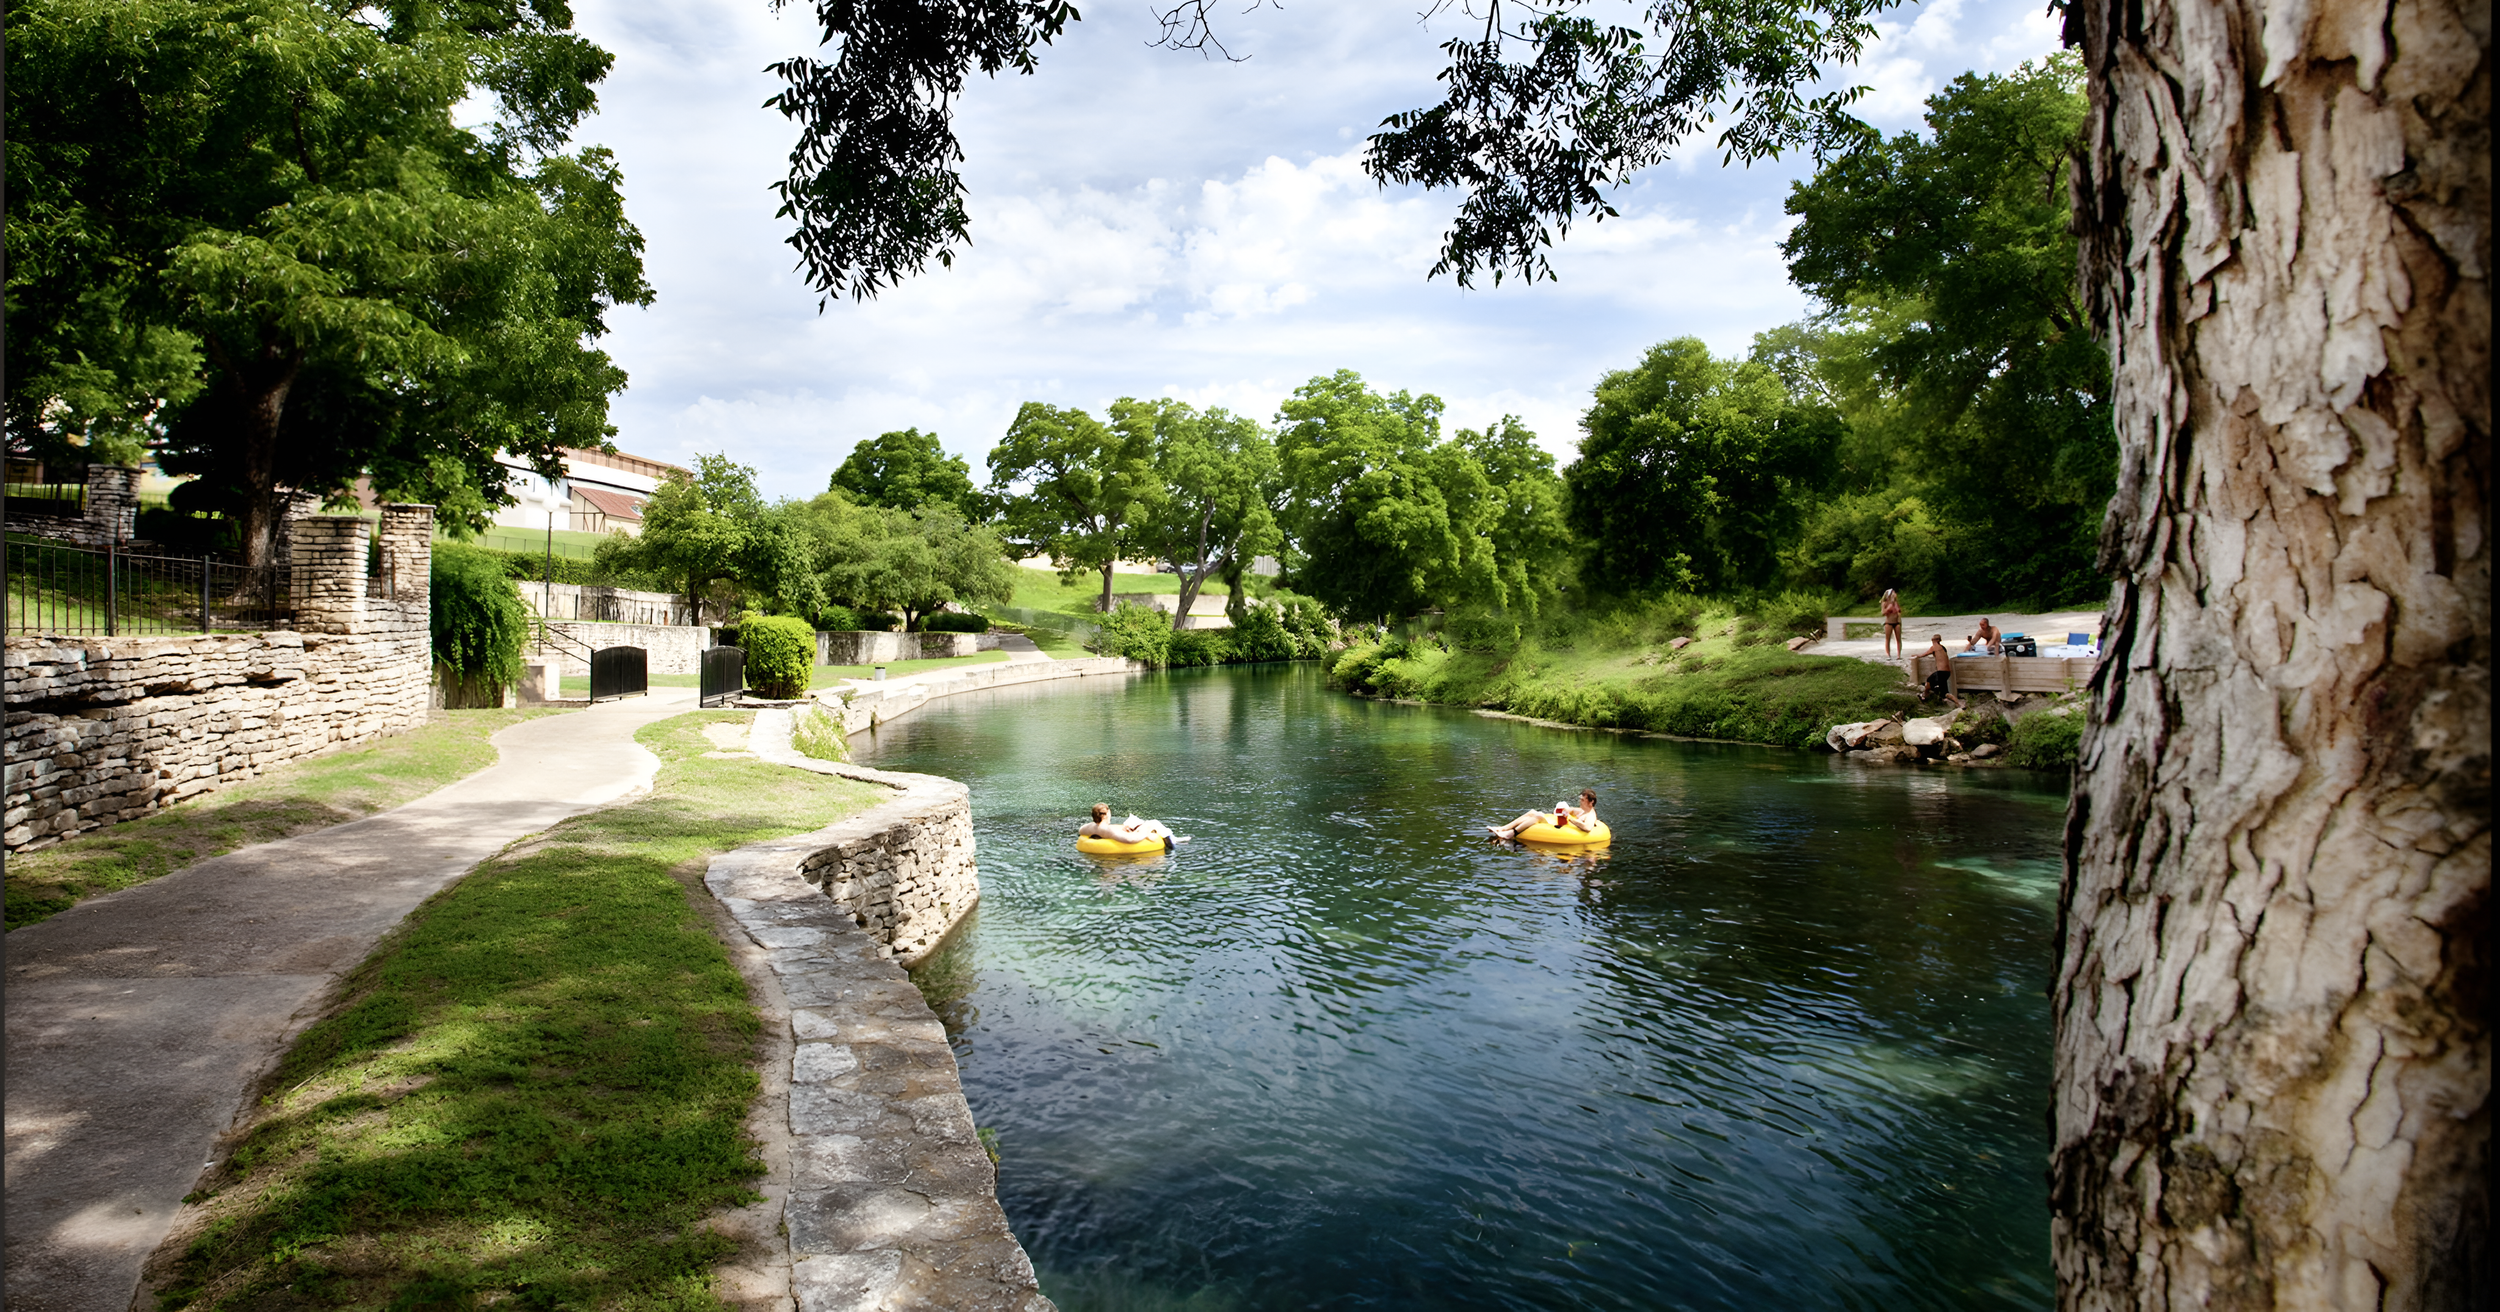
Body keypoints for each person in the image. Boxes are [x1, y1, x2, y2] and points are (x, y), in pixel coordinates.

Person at [1489, 788, 1600, 840]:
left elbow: (1587, 828)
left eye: (1583, 800)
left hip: (1566, 834)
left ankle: (1511, 834)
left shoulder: (1590, 815)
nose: (1580, 801)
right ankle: (1502, 828)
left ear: (1591, 802)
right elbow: (1571, 810)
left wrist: (1570, 818)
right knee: (1533, 812)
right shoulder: (1581, 810)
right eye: (1580, 799)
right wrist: (1566, 809)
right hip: (1561, 827)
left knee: (1538, 816)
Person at [1081, 803, 1188, 844]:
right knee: (1153, 823)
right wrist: (1146, 834)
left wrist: (1122, 828)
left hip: (1104, 833)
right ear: (1107, 814)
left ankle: (1173, 838)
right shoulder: (1109, 831)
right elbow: (1130, 840)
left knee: (1132, 824)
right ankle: (1173, 840)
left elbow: (1081, 830)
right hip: (1132, 839)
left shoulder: (1089, 827)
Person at [1921, 635, 1966, 709]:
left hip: (1941, 672)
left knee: (1930, 681)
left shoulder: (1935, 647)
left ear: (1935, 640)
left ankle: (1925, 696)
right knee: (1943, 691)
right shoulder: (1943, 648)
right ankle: (1959, 703)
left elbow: (1924, 654)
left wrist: (1916, 655)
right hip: (1947, 672)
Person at [1880, 588, 1904, 658]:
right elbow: (1883, 613)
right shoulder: (1885, 603)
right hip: (1888, 622)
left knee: (1898, 639)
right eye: (1893, 593)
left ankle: (1899, 655)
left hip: (1897, 622)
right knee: (1888, 639)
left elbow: (1899, 612)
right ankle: (1888, 654)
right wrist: (1889, 607)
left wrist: (1899, 621)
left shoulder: (1896, 603)